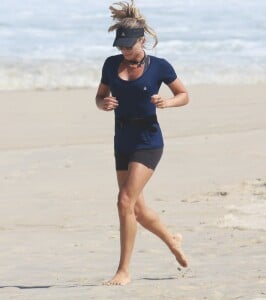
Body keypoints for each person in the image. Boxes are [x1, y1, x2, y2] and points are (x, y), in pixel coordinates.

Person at [95, 0, 189, 286]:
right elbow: (99, 97)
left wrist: (168, 102)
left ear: (142, 40)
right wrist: (104, 103)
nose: (124, 50)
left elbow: (184, 94)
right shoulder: (111, 65)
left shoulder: (159, 66)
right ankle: (172, 239)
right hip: (122, 139)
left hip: (148, 141)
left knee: (124, 201)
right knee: (136, 208)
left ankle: (123, 270)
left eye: (128, 45)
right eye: (120, 46)